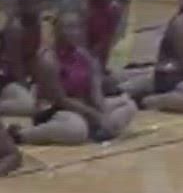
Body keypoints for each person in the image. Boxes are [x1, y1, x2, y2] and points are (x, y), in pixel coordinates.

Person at [16, 11, 136, 146]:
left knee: (128, 105)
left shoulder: (83, 54)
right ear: (57, 30)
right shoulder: (47, 59)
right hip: (55, 111)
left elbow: (94, 91)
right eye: (68, 27)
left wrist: (100, 107)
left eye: (77, 27)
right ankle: (23, 135)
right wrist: (95, 115)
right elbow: (60, 100)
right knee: (76, 130)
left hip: (84, 106)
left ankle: (97, 130)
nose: (74, 32)